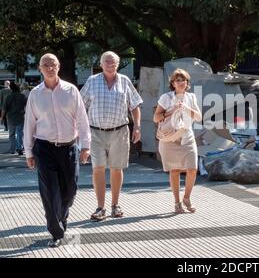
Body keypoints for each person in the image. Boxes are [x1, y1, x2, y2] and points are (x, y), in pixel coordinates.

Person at [24, 53, 90, 248]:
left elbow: (82, 119)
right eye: (46, 65)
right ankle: (56, 232)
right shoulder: (35, 94)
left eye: (53, 64)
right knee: (50, 191)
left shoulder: (71, 91)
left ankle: (61, 217)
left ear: (59, 66)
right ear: (40, 68)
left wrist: (85, 145)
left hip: (69, 147)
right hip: (44, 148)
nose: (49, 68)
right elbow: (29, 124)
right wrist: (28, 153)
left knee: (70, 190)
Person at [80, 51, 143, 221]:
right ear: (101, 64)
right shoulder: (92, 81)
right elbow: (80, 106)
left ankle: (115, 205)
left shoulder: (125, 81)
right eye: (107, 61)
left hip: (119, 131)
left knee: (116, 168)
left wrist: (137, 127)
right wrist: (80, 131)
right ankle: (101, 207)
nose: (110, 64)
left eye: (113, 62)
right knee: (98, 168)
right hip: (95, 132)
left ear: (118, 64)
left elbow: (135, 105)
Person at [153, 69, 202, 213]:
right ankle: (177, 202)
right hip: (170, 139)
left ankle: (186, 197)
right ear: (172, 83)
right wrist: (171, 111)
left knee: (192, 170)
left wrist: (186, 108)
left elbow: (198, 117)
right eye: (177, 80)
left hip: (187, 137)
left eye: (183, 80)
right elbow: (156, 118)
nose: (180, 83)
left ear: (187, 83)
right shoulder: (166, 98)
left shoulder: (191, 97)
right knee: (174, 171)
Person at [1, 82, 27, 155]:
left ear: (11, 88)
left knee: (12, 134)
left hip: (10, 117)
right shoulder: (22, 96)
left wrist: (2, 117)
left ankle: (12, 149)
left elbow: (4, 108)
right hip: (20, 117)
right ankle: (20, 148)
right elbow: (28, 106)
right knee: (20, 134)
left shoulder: (8, 97)